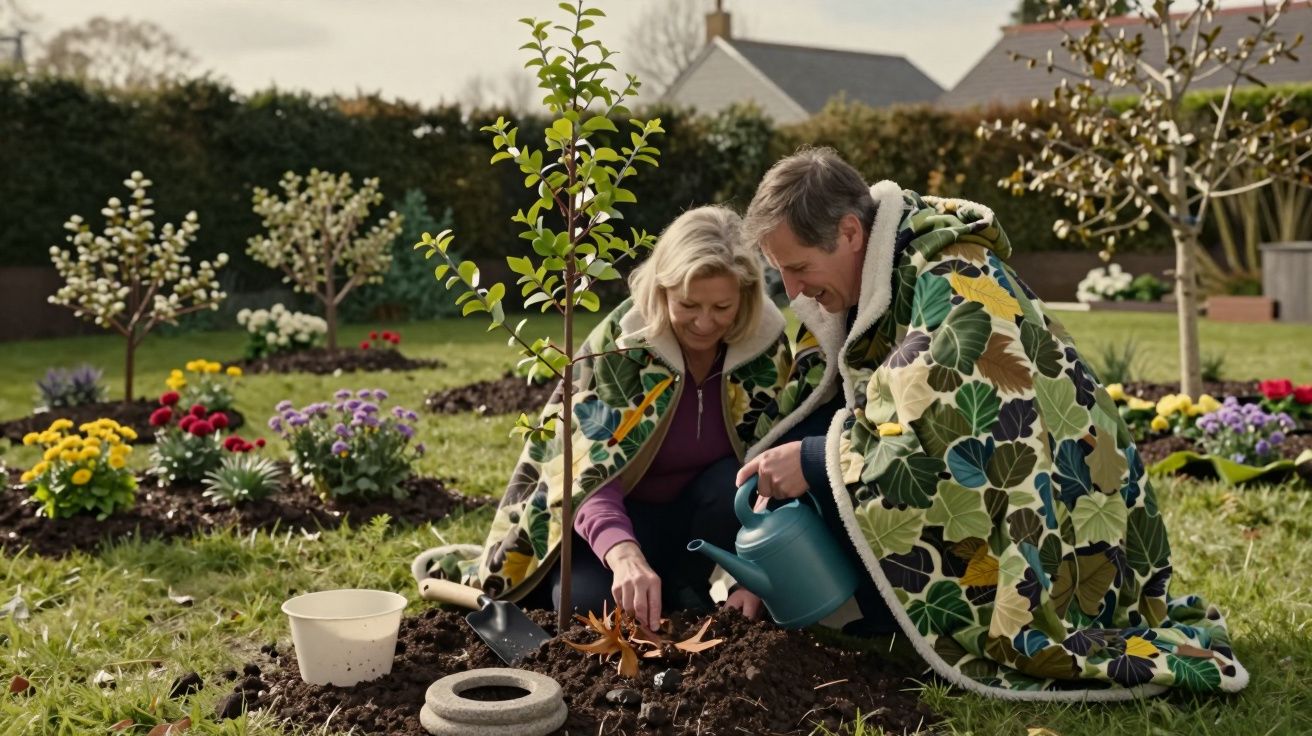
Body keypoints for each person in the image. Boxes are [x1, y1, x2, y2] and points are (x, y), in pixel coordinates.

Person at [725, 147, 1247, 699]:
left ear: (851, 232)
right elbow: (842, 398)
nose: (796, 290)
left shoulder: (952, 284)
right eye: (782, 273)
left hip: (1061, 512)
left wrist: (812, 460)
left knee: (839, 471)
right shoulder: (888, 273)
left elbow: (948, 439)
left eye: (800, 268)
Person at [413, 205, 790, 630]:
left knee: (732, 479)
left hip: (701, 532)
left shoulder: (766, 351)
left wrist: (758, 577)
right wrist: (623, 554)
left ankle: (686, 587)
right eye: (688, 305)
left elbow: (778, 469)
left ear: (745, 296)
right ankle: (654, 588)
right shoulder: (621, 348)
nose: (705, 323)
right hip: (615, 523)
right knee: (586, 611)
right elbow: (582, 471)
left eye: (722, 307)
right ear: (661, 291)